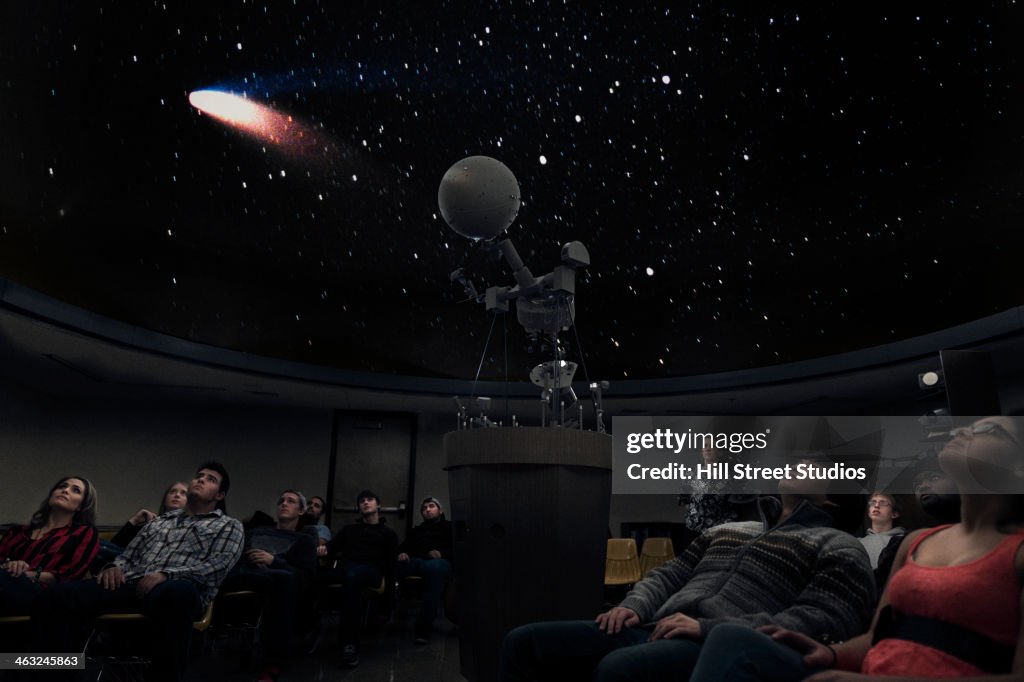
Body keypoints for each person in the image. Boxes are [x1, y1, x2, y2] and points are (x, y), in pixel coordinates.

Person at [687, 415, 1024, 681]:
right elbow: (878, 638)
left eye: (990, 429)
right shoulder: (916, 542)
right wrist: (834, 654)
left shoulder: (1017, 552)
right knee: (730, 640)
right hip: (868, 670)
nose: (964, 429)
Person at [500, 459, 875, 682]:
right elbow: (671, 573)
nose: (798, 463)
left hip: (712, 644)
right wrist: (634, 606)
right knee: (525, 641)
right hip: (651, 627)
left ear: (833, 497)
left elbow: (822, 620)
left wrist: (708, 627)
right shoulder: (731, 529)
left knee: (621, 669)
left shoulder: (839, 544)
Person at [32, 462, 243, 682]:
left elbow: (219, 564)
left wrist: (166, 575)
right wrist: (112, 567)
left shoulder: (228, 525)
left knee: (179, 594)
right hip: (130, 583)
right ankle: (53, 674)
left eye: (210, 479)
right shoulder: (159, 522)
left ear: (220, 494)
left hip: (174, 588)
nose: (200, 479)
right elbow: (127, 556)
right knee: (56, 596)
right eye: (199, 475)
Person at [221, 489, 317, 682]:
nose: (284, 503)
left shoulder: (304, 540)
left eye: (291, 501)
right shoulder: (257, 531)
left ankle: (273, 662)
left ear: (301, 511)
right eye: (281, 500)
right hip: (247, 573)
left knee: (284, 580)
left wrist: (274, 561)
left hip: (278, 579)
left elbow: (305, 577)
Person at [0, 476, 99, 616]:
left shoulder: (84, 533)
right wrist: (10, 566)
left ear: (81, 506)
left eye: (75, 490)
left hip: (43, 596)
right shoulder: (17, 531)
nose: (65, 490)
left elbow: (71, 575)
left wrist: (27, 574)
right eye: (62, 486)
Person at [323, 489, 398, 668]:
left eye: (370, 499)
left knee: (354, 577)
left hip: (370, 572)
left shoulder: (388, 534)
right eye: (362, 500)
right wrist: (322, 548)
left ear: (378, 505)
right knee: (314, 575)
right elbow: (330, 548)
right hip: (347, 569)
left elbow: (391, 568)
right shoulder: (349, 530)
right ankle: (308, 630)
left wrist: (387, 604)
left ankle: (350, 643)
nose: (365, 502)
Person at [397, 496, 453, 644]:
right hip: (417, 561)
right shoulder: (417, 530)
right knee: (394, 566)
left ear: (440, 511)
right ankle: (382, 616)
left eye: (431, 506)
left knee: (433, 570)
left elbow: (459, 549)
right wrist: (402, 553)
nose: (427, 510)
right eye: (424, 508)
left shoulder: (450, 528)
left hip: (439, 563)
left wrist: (442, 554)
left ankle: (423, 627)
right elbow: (404, 547)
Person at [858, 492, 906, 573]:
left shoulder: (903, 541)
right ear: (869, 512)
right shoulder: (857, 542)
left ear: (894, 514)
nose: (876, 505)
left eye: (883, 503)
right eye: (873, 502)